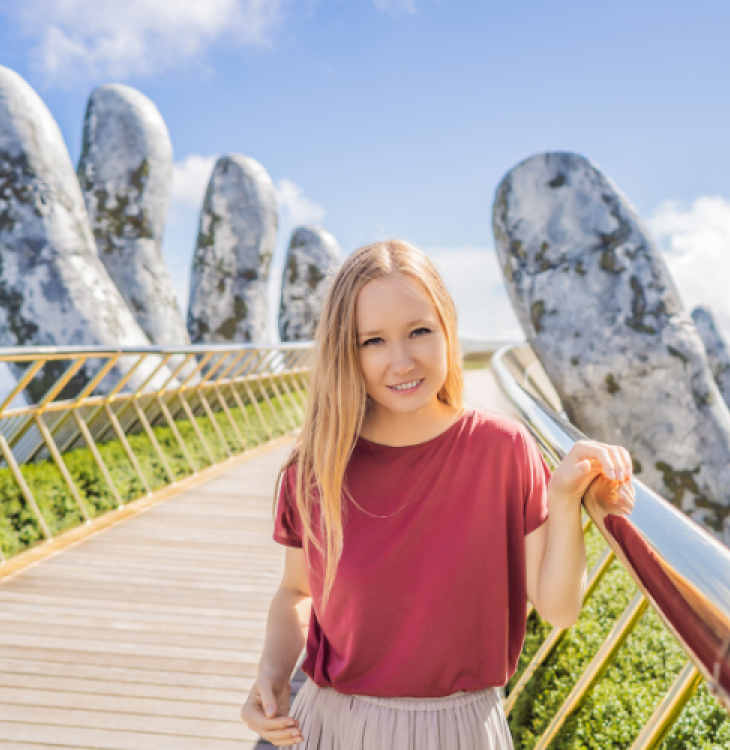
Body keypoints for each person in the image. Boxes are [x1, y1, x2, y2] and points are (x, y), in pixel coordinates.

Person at [240, 239, 636, 748]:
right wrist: (272, 676)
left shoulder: (503, 449)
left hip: (463, 729)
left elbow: (559, 609)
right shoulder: (316, 466)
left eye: (419, 331)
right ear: (345, 351)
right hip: (337, 726)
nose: (402, 361)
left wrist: (563, 499)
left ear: (447, 329)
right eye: (373, 341)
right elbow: (298, 592)